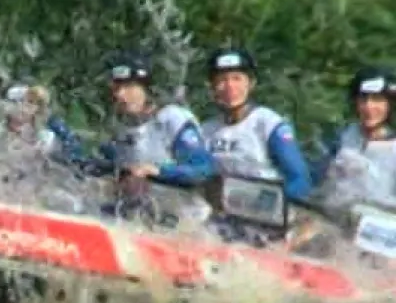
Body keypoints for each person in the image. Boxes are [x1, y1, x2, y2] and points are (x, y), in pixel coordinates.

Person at [200, 47, 313, 201]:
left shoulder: (268, 124)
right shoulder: (206, 130)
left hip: (262, 214)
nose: (230, 87)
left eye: (237, 78)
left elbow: (300, 180)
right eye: (221, 80)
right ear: (212, 87)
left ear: (251, 83)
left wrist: (268, 201)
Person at [96, 51, 217, 187]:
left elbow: (202, 169)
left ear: (146, 89)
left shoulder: (173, 118)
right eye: (116, 88)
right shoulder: (116, 126)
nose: (121, 95)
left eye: (129, 87)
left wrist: (159, 171)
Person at [311, 66, 396, 209]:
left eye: (377, 99)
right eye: (363, 99)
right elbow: (315, 182)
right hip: (330, 222)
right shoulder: (339, 138)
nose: (369, 107)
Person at [0, 81, 85, 164]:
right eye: (20, 101)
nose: (22, 105)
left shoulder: (44, 133)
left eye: (30, 103)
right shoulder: (7, 114)